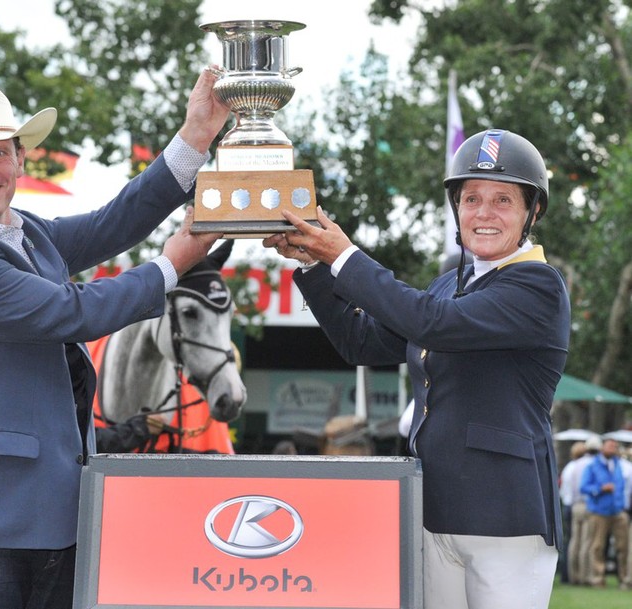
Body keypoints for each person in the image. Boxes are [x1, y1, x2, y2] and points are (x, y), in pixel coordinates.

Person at [0, 70, 229, 609]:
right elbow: (72, 311)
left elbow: (115, 221)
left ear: (20, 159)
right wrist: (174, 264)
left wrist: (195, 138)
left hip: (56, 515)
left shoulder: (26, 231)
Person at [264, 129, 570, 609]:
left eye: (503, 200)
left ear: (532, 212)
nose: (484, 213)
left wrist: (343, 255)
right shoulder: (448, 284)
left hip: (505, 519)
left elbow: (431, 323)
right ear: (456, 209)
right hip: (433, 508)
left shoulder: (538, 286)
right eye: (471, 199)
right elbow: (359, 342)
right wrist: (313, 266)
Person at [580, 438, 629, 589]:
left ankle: (625, 580)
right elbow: (583, 487)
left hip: (618, 511)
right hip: (599, 512)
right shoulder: (592, 466)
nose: (612, 449)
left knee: (623, 547)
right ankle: (597, 579)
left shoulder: (619, 465)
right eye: (610, 446)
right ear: (602, 448)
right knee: (597, 547)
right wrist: (600, 489)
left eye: (615, 446)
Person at [562, 434, 602, 585]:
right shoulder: (595, 464)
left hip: (575, 505)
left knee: (574, 541)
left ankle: (573, 576)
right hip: (589, 504)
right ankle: (584, 577)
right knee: (586, 541)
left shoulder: (575, 464)